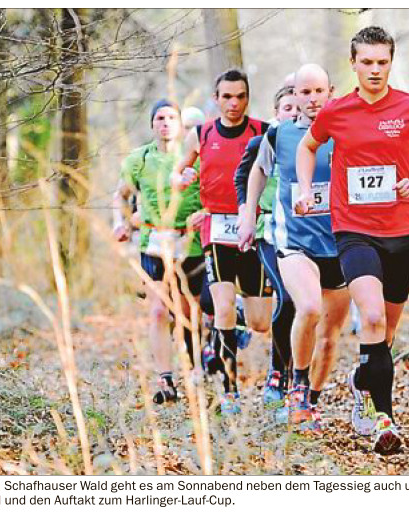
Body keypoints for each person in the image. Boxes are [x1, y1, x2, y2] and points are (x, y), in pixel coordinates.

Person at [296, 27, 409, 453]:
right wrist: (302, 186)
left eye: (382, 62)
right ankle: (384, 418)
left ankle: (360, 383)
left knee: (384, 334)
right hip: (353, 230)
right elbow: (308, 147)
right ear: (352, 63)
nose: (374, 70)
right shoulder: (335, 111)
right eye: (366, 62)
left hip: (402, 233)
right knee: (369, 318)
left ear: (391, 62)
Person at [238, 63, 350, 428]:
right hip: (294, 240)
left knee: (331, 338)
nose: (312, 98)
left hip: (341, 241)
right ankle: (297, 386)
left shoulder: (346, 130)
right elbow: (257, 170)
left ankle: (310, 402)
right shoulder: (279, 134)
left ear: (330, 91)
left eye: (319, 91)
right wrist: (248, 214)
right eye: (305, 92)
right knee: (308, 307)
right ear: (295, 96)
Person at [172, 69, 272, 415]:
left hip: (254, 229)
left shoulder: (262, 132)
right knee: (223, 307)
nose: (233, 103)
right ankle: (230, 390)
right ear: (216, 99)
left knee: (260, 322)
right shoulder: (201, 134)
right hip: (216, 230)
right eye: (226, 96)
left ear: (247, 97)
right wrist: (182, 178)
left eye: (240, 96)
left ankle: (236, 321)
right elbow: (179, 174)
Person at [113, 99, 204, 405]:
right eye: (160, 118)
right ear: (153, 124)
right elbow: (121, 196)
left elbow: (211, 194)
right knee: (157, 310)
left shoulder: (193, 157)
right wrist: (122, 222)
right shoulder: (139, 159)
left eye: (171, 118)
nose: (165, 123)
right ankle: (165, 378)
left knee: (190, 311)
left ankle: (195, 369)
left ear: (180, 124)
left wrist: (203, 215)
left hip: (189, 241)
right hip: (153, 241)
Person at [234, 85, 298, 408]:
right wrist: (247, 215)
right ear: (276, 112)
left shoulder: (310, 140)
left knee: (301, 304)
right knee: (286, 297)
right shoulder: (263, 142)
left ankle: (297, 375)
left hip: (305, 231)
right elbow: (243, 178)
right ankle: (277, 373)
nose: (294, 113)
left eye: (297, 108)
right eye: (287, 108)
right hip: (269, 231)